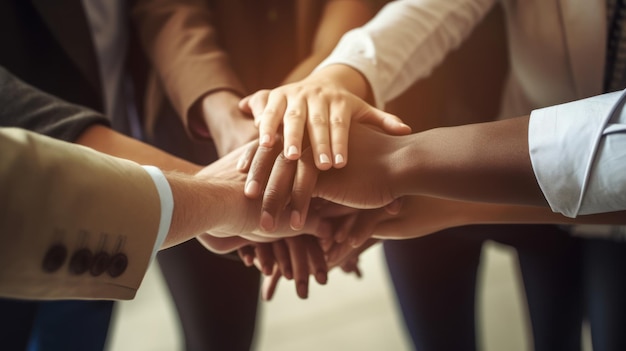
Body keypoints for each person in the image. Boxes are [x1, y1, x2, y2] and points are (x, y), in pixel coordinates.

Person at [240, 1, 626, 349]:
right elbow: (439, 9)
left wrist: (402, 164)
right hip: (526, 153)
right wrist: (338, 76)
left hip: (530, 168)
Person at [130, 1, 396, 348]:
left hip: (316, 123)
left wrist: (286, 130)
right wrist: (229, 120)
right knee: (216, 331)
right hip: (194, 118)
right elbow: (167, 8)